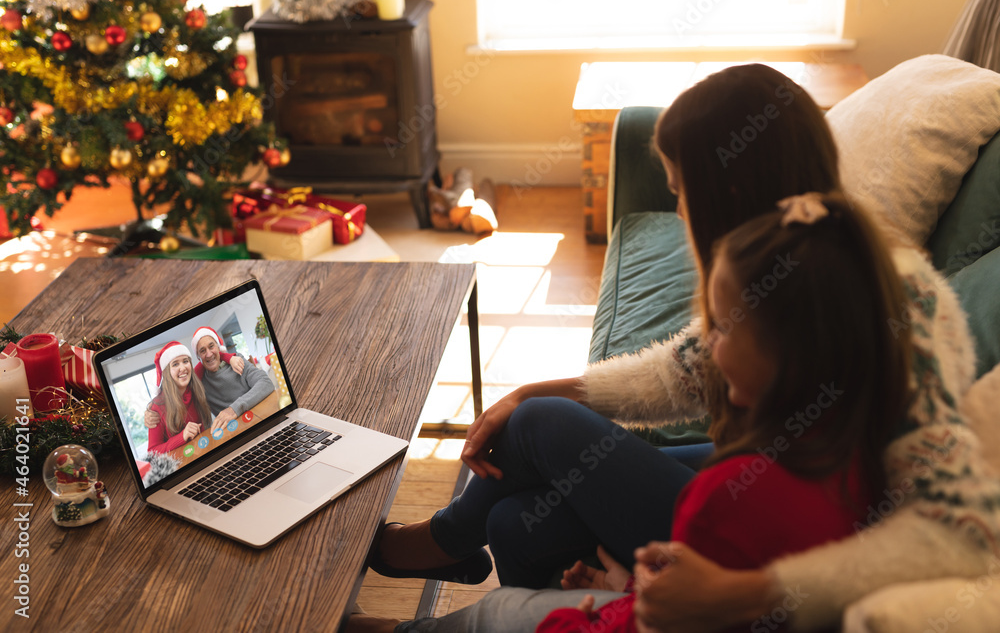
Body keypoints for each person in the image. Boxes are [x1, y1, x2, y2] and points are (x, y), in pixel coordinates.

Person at [364, 63, 1000, 631]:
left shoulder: (894, 303)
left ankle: (442, 542)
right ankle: (484, 556)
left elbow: (940, 515)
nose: (676, 205)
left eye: (677, 189)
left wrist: (745, 591)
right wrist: (531, 387)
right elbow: (684, 374)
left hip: (796, 539)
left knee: (538, 426)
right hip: (768, 482)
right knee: (515, 520)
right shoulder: (795, 261)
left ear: (726, 191)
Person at [534, 192, 907, 633]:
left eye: (724, 328)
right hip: (628, 596)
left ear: (782, 350)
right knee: (513, 514)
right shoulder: (862, 463)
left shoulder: (724, 496)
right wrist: (632, 589)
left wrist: (567, 620)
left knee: (494, 600)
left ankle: (449, 542)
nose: (708, 347)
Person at [145, 326, 274, 434]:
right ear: (199, 357)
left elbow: (266, 383)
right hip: (236, 432)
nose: (208, 354)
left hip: (262, 419)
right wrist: (150, 409)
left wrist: (233, 409)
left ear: (218, 347)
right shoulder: (198, 382)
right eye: (202, 351)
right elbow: (175, 390)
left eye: (211, 346)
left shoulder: (237, 360)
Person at [146, 341, 214, 453]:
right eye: (175, 364)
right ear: (167, 372)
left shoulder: (194, 382)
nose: (182, 368)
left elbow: (211, 357)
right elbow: (152, 452)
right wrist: (181, 437)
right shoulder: (156, 407)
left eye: (185, 361)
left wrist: (231, 358)